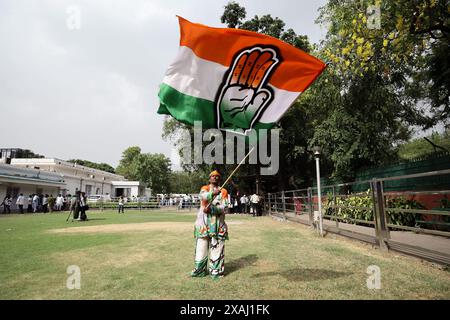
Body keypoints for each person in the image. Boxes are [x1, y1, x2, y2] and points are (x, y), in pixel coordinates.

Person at [191, 170, 229, 279]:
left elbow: (225, 207)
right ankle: (199, 270)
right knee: (201, 247)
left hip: (218, 224)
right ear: (209, 179)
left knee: (216, 247)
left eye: (217, 176)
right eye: (213, 176)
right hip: (203, 223)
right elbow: (202, 196)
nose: (215, 178)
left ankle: (215, 271)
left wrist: (213, 209)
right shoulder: (205, 188)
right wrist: (213, 193)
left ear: (220, 179)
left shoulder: (224, 191)